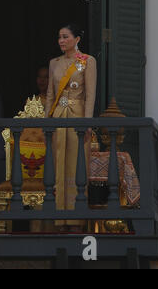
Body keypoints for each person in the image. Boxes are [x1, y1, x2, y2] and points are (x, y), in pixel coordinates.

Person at [44, 24, 97, 232]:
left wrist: (88, 122)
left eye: (65, 37)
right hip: (58, 117)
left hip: (77, 117)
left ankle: (77, 220)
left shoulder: (87, 61)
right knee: (58, 164)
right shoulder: (54, 63)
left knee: (77, 165)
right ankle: (59, 220)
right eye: (59, 37)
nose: (61, 41)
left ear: (77, 39)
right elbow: (50, 94)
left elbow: (90, 94)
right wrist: (46, 120)